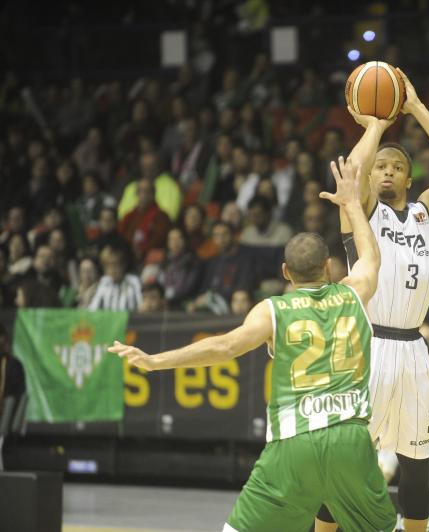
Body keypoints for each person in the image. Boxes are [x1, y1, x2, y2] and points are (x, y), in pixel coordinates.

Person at [110, 157, 396, 532]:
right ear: (328, 267)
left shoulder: (272, 310)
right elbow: (371, 257)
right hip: (351, 438)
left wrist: (154, 361)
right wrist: (352, 204)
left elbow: (224, 347)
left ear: (286, 273)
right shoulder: (354, 293)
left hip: (295, 443)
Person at [318, 69, 429, 532]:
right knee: (348, 454)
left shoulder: (428, 213)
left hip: (413, 350)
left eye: (396, 167)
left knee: (416, 459)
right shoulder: (362, 211)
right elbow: (355, 173)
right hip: (368, 344)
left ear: (408, 177)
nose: (386, 171)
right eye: (381, 166)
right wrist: (376, 126)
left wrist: (416, 107)